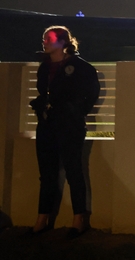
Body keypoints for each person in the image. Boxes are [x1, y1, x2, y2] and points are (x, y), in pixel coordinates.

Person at [28, 26, 99, 238]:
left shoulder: (80, 67)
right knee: (47, 173)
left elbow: (91, 94)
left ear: (62, 42)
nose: (44, 43)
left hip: (69, 126)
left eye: (48, 39)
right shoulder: (44, 67)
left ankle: (79, 219)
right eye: (43, 39)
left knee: (73, 170)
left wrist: (75, 112)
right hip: (47, 125)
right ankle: (42, 218)